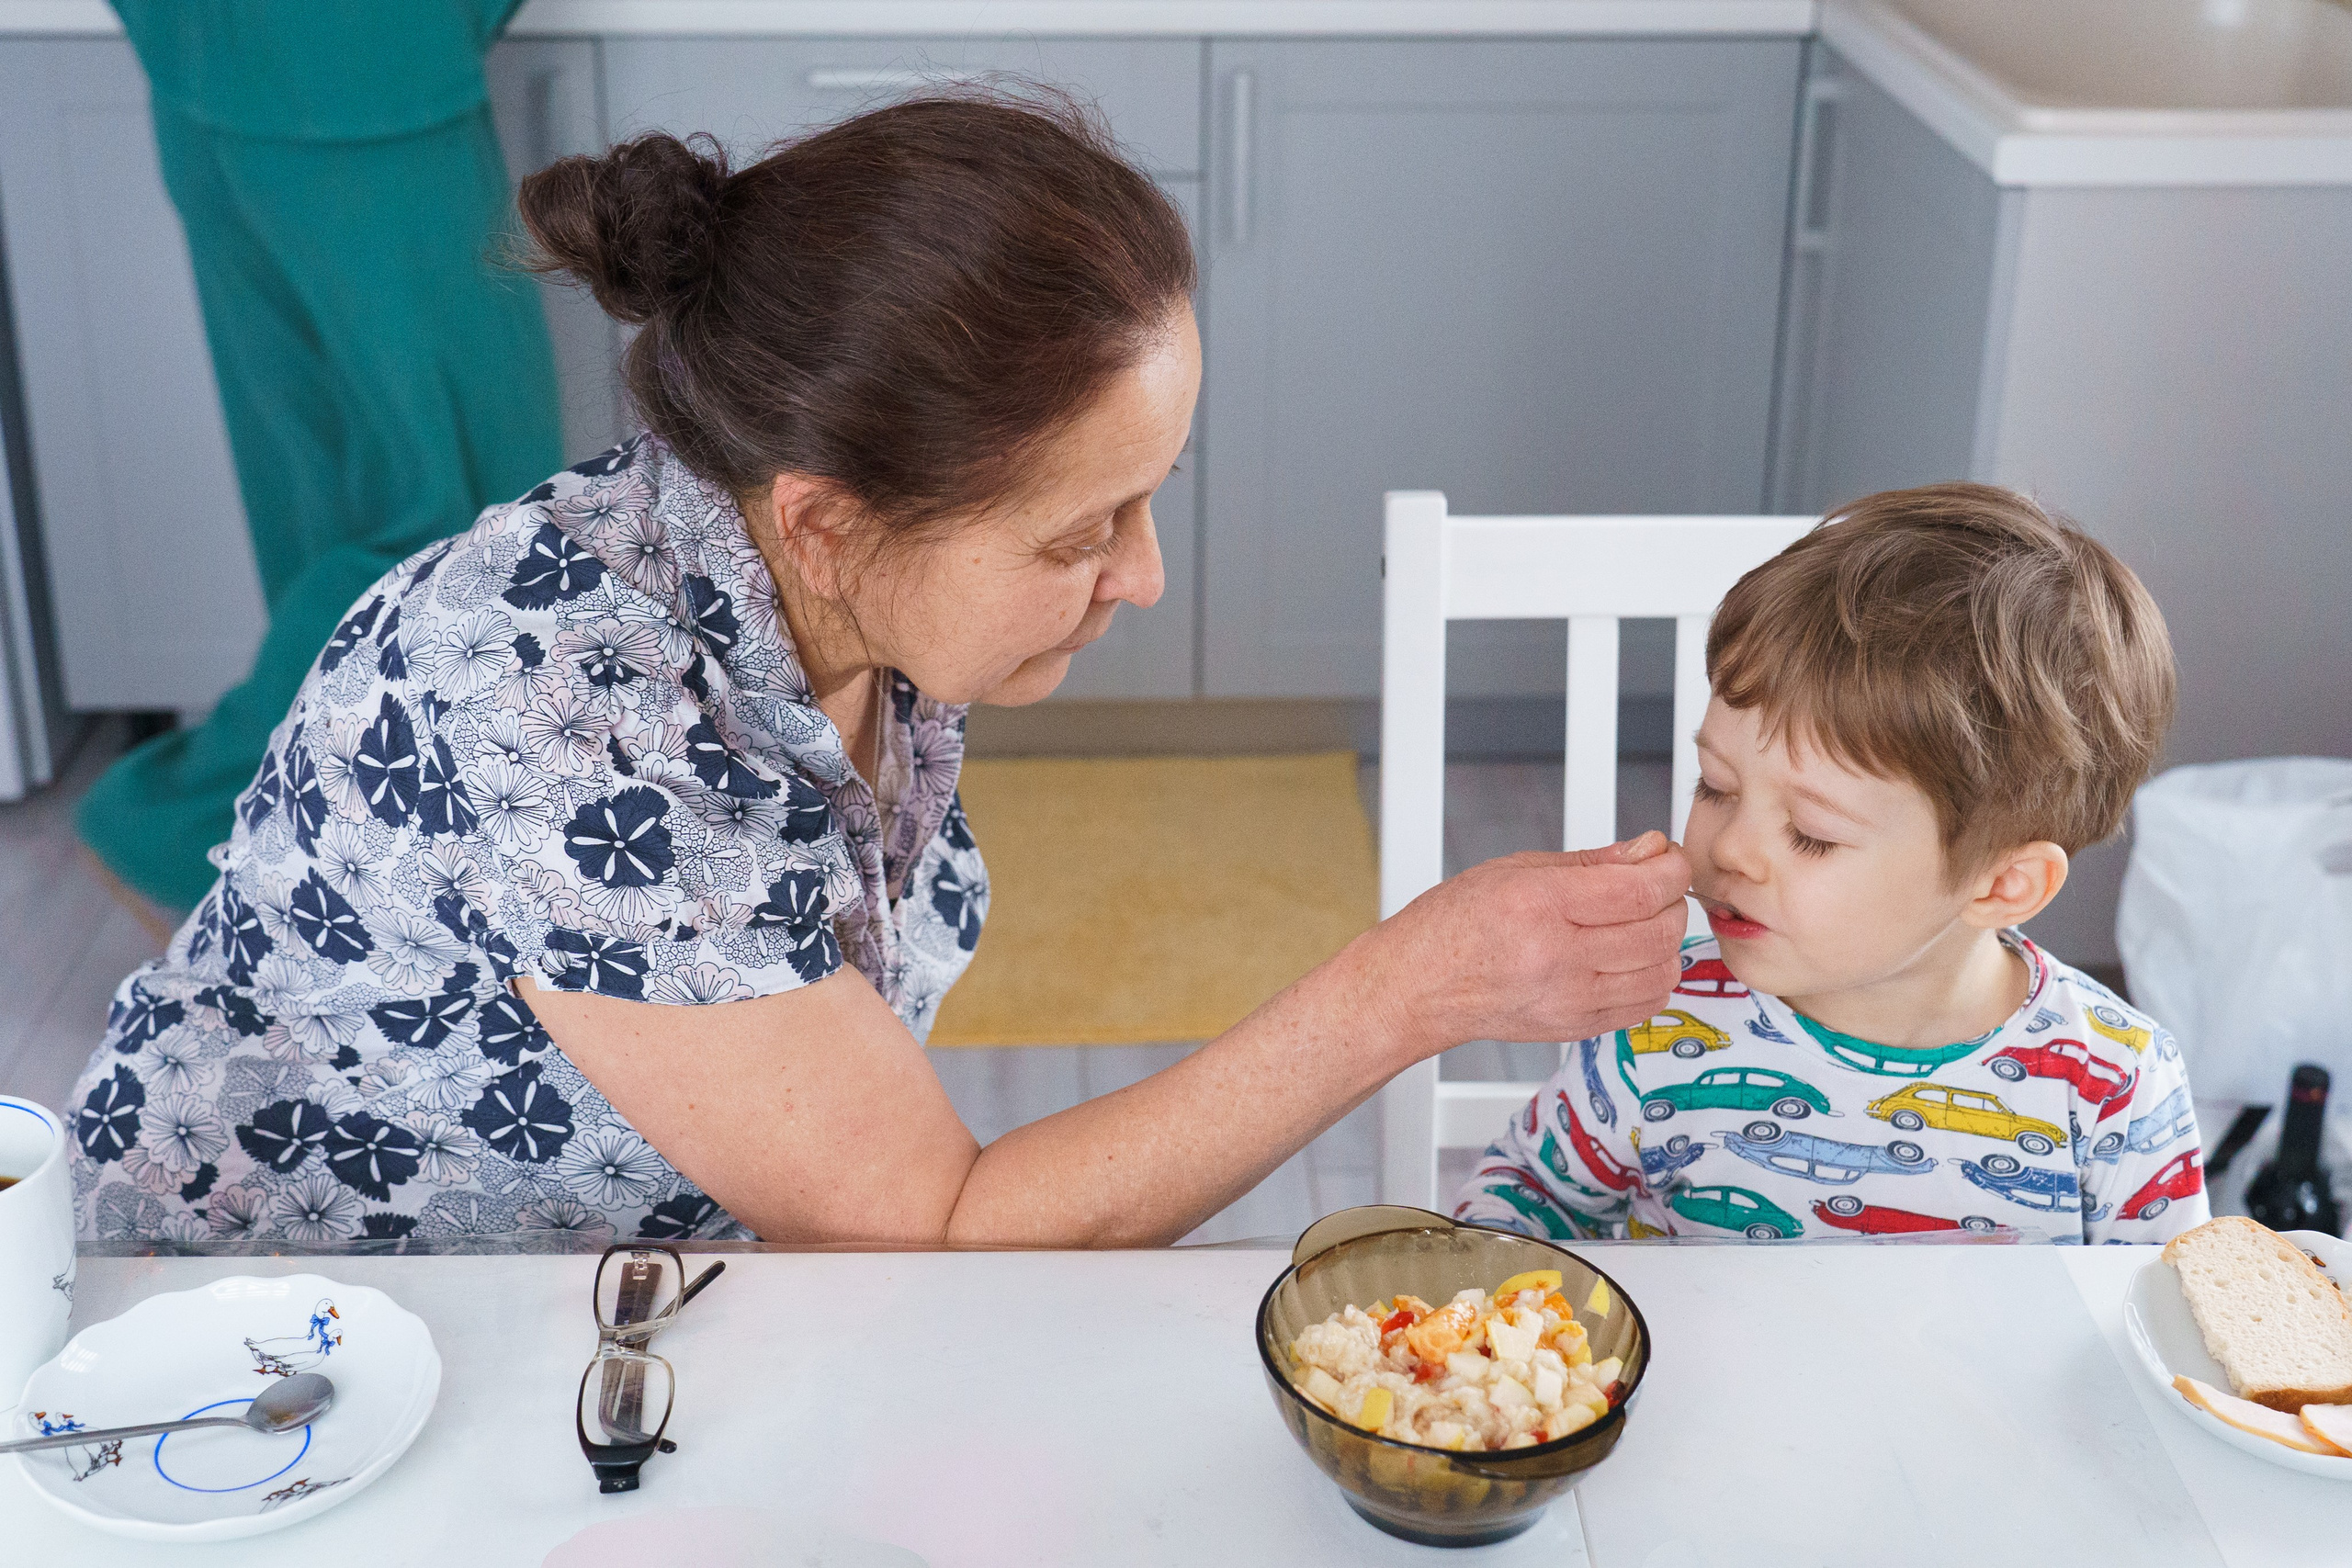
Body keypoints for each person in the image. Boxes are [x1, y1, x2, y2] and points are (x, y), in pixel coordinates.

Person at [64, 95, 1690, 1248]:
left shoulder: (826, 577)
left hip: (623, 1277)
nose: (1142, 575)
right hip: (295, 1341)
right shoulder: (557, 713)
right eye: (1080, 533)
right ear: (828, 524)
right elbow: (930, 1226)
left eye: (1150, 495)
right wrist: (1410, 989)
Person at [1456, 484, 2207, 1246]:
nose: (1731, 848)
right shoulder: (1657, 1020)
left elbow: (2167, 1304)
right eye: (1715, 786)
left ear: (2002, 884)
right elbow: (1519, 1204)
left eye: (1812, 834)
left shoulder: (2117, 1085)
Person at [79, 0, 564, 917]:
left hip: (223, 69)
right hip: (361, 70)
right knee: (470, 530)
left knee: (328, 507)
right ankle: (180, 826)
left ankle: (328, 867)